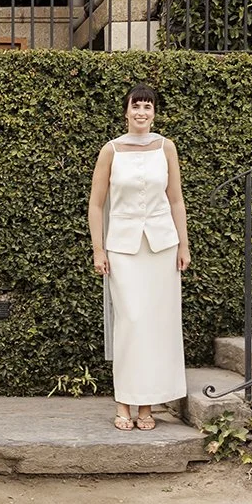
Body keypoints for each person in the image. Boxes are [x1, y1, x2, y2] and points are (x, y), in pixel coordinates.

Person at [86, 83, 190, 431]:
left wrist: (183, 245)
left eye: (148, 107)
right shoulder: (111, 150)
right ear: (126, 111)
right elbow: (96, 204)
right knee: (130, 323)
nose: (142, 112)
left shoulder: (167, 147)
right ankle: (123, 404)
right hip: (123, 249)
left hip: (162, 247)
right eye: (136, 106)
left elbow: (176, 199)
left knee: (157, 326)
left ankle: (147, 408)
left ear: (154, 112)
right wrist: (98, 249)